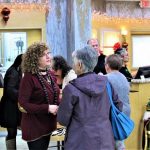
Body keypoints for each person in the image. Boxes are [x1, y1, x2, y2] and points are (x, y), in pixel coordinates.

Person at [57, 46, 123, 150]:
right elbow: (118, 106)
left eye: (74, 62)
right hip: (105, 139)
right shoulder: (106, 83)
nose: (73, 65)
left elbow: (62, 120)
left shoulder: (71, 89)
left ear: (79, 65)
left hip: (79, 141)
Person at [18, 42, 60, 150]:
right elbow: (23, 104)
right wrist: (47, 108)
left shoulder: (50, 74)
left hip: (48, 124)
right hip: (34, 126)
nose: (48, 56)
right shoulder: (28, 77)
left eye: (48, 53)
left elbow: (53, 95)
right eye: (43, 54)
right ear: (35, 59)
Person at [105, 54, 131, 150]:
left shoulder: (106, 78)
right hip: (125, 112)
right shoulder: (124, 77)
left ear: (107, 65)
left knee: (117, 143)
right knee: (119, 140)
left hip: (114, 113)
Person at [0, 54, 23, 150]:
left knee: (12, 131)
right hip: (10, 107)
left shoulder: (16, 70)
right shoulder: (13, 72)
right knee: (12, 132)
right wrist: (23, 96)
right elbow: (10, 90)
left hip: (12, 106)